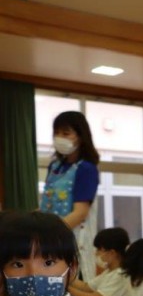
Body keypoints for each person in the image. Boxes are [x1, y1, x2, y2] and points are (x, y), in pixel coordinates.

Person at [40, 111, 101, 280]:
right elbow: (46, 204)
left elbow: (80, 213)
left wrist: (50, 232)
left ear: (80, 137)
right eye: (56, 133)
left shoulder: (86, 169)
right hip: (49, 242)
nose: (60, 137)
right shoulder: (54, 166)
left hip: (72, 242)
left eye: (66, 133)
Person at [68, 227, 131, 296]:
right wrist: (65, 277)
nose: (96, 253)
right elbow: (86, 287)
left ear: (112, 253)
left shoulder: (120, 275)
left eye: (99, 249)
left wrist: (66, 290)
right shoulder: (109, 272)